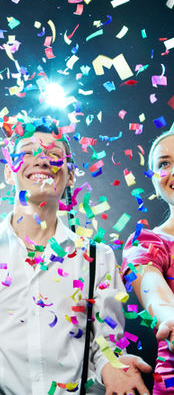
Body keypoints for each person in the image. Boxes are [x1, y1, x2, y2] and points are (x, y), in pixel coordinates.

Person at [0, 116, 151, 395]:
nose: (42, 161)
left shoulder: (99, 257)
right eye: (28, 152)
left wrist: (112, 367)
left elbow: (105, 346)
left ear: (70, 176)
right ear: (9, 171)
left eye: (54, 155)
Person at [122, 123, 174, 394]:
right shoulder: (148, 243)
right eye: (164, 163)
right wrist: (170, 317)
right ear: (155, 177)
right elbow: (155, 294)